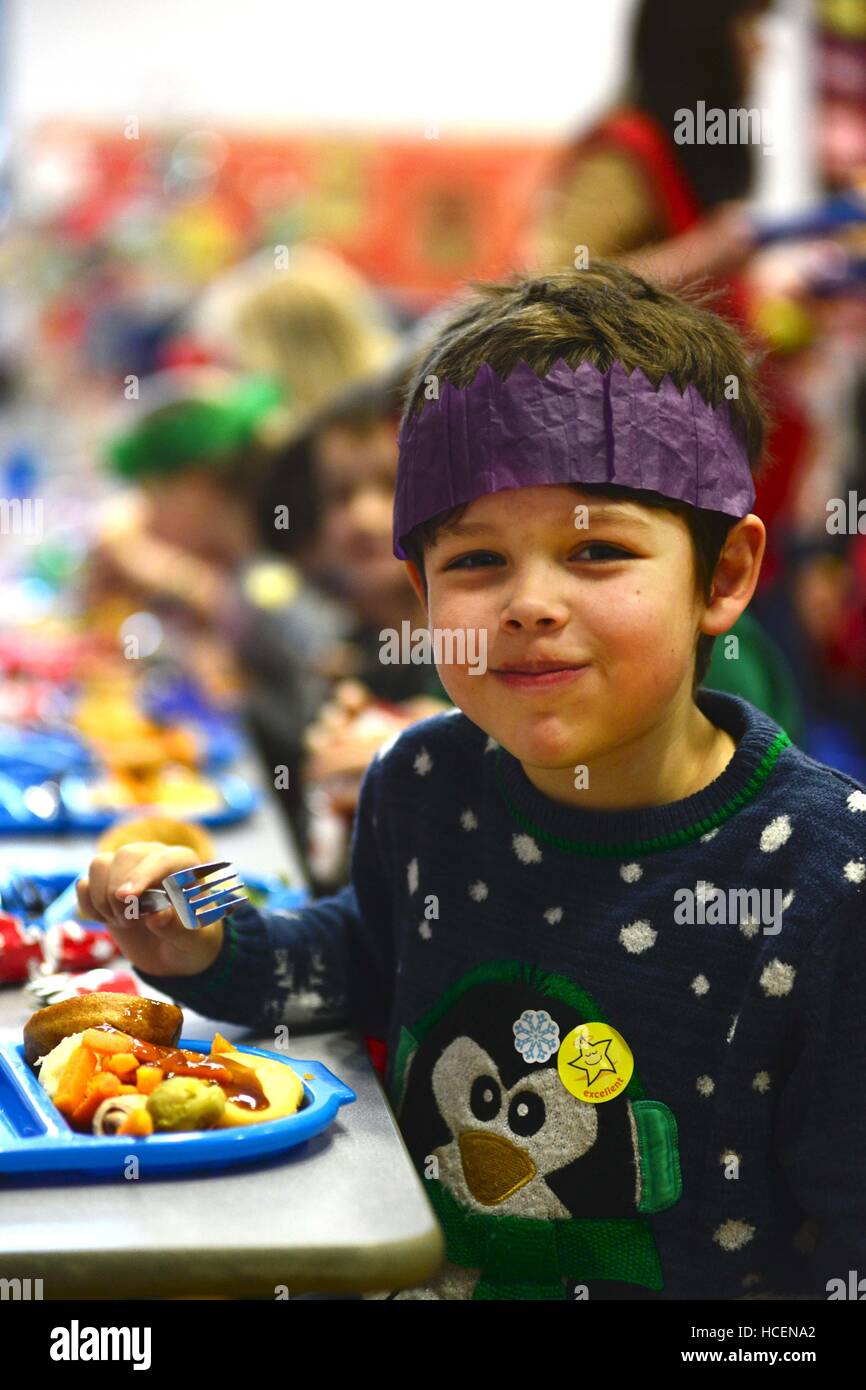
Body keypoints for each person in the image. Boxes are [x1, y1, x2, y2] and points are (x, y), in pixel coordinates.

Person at [77, 264, 866, 1300]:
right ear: (420, 589)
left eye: (595, 549)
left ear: (720, 577)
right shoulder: (425, 778)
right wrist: (210, 943)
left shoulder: (826, 882)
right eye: (476, 563)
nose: (528, 603)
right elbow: (364, 955)